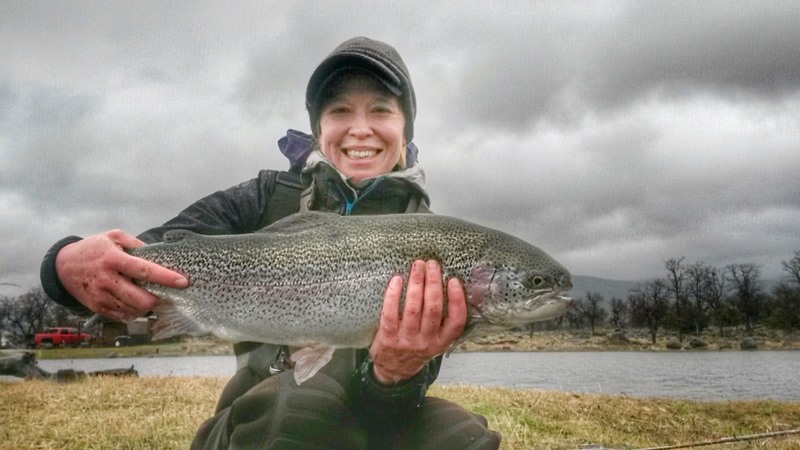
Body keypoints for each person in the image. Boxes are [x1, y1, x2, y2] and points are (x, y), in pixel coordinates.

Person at [40, 36, 501, 449]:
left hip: (377, 419)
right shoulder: (263, 198)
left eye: (381, 109)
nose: (360, 128)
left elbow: (403, 402)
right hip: (260, 420)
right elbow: (143, 255)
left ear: (406, 131)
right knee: (304, 408)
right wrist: (63, 264)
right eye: (339, 111)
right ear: (319, 130)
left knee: (463, 439)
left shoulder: (433, 238)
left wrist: (394, 375)